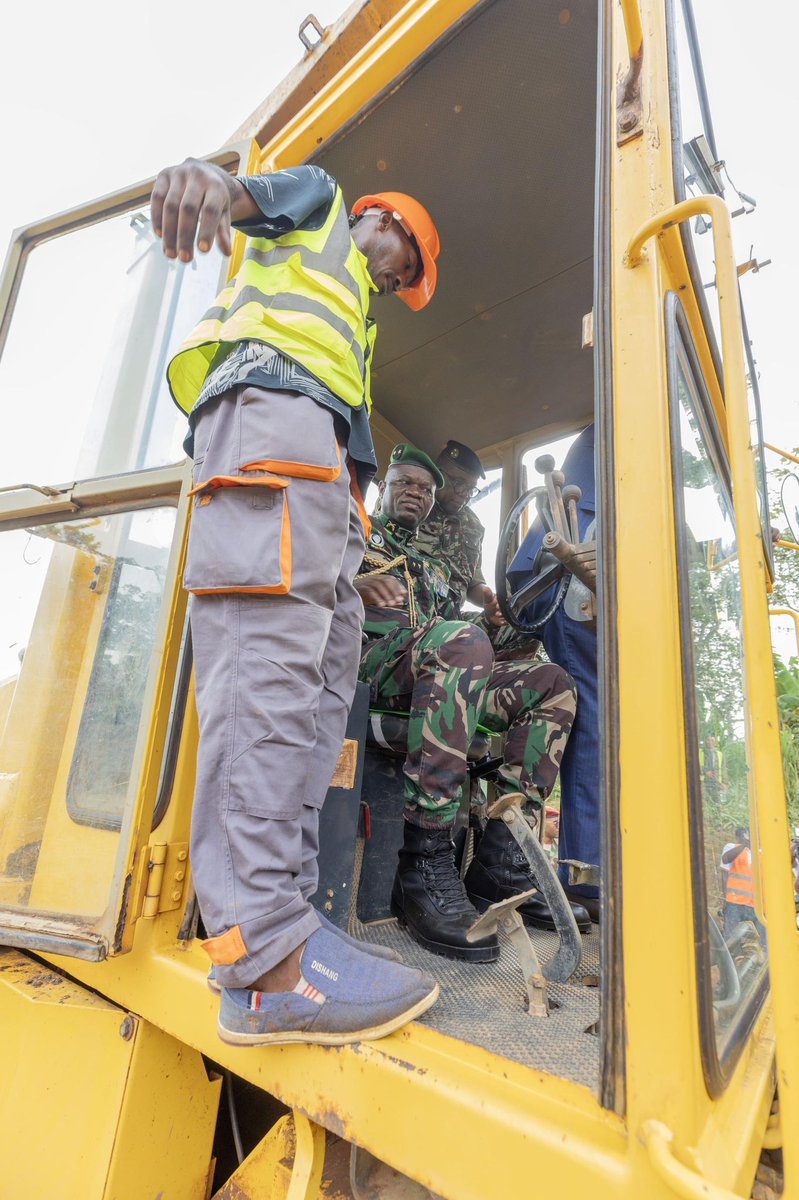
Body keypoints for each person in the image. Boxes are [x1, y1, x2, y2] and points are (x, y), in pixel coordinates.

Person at [151, 158, 442, 1046]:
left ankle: (294, 925)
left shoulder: (351, 314)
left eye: (404, 281)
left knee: (320, 693)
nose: (397, 283)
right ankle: (265, 962)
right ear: (382, 220)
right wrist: (205, 180)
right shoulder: (315, 206)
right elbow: (241, 196)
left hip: (316, 475)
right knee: (267, 675)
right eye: (406, 265)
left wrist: (350, 555)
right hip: (267, 426)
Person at [355, 443, 589, 962]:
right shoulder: (354, 533)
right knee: (461, 641)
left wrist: (503, 625)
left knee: (552, 681)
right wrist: (351, 586)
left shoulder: (436, 568)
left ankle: (500, 860)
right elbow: (298, 586)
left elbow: (464, 637)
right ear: (384, 486)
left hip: (433, 669)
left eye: (425, 488)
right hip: (366, 671)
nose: (414, 492)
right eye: (404, 482)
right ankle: (425, 862)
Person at [507, 425, 600, 922]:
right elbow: (523, 582)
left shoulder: (619, 498)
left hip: (614, 632)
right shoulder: (569, 503)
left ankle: (599, 869)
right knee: (590, 733)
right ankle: (587, 872)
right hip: (578, 621)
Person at [414, 440, 539, 660]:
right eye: (457, 482)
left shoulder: (472, 525)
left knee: (525, 625)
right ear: (437, 473)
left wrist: (493, 600)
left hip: (453, 616)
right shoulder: (414, 503)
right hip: (417, 614)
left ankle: (492, 685)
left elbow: (471, 583)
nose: (463, 492)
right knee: (465, 634)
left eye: (471, 488)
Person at [720, 828, 765, 943]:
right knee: (730, 937)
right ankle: (729, 959)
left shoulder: (761, 853)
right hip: (735, 903)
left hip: (757, 906)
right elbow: (725, 862)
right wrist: (726, 900)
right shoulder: (731, 847)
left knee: (760, 940)